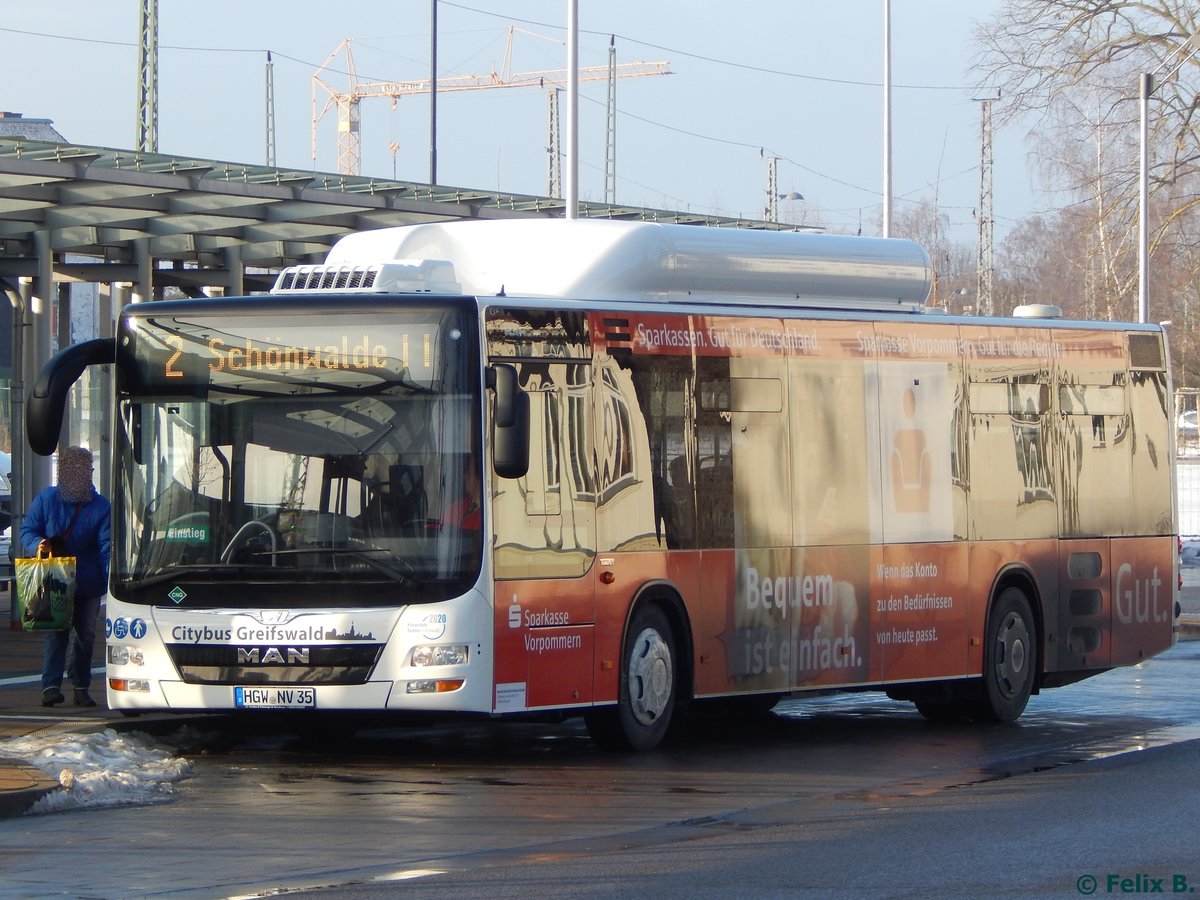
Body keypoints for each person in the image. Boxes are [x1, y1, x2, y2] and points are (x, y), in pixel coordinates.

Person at [20, 446, 111, 708]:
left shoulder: (101, 506)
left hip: (87, 580)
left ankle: (80, 687)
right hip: (54, 577)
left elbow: (106, 546)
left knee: (86, 634)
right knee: (56, 631)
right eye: (79, 469)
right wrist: (38, 543)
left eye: (87, 470)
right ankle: (50, 686)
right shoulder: (47, 499)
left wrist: (109, 582)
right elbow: (27, 531)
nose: (84, 474)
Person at [441, 456, 481, 530]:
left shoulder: (487, 517)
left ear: (479, 478)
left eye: (469, 472)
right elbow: (442, 528)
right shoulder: (457, 507)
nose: (465, 476)